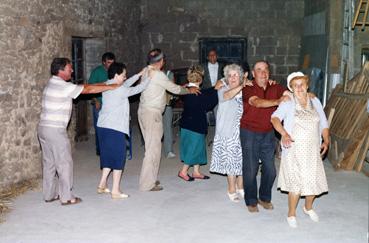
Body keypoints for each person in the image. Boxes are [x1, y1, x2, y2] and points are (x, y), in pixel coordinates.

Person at [38, 57, 122, 206]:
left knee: (49, 163)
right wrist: (111, 86)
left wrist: (106, 84)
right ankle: (67, 197)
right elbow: (87, 89)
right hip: (55, 131)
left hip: (43, 129)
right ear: (61, 70)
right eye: (69, 68)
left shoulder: (51, 83)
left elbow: (86, 86)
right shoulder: (63, 86)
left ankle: (49, 194)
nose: (72, 70)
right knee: (64, 164)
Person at [271, 72, 329, 228]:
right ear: (291, 88)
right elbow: (275, 118)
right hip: (294, 149)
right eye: (295, 85)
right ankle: (291, 213)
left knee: (313, 183)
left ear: (307, 85)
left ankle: (308, 207)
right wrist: (284, 134)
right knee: (295, 185)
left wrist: (326, 140)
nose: (299, 88)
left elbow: (323, 122)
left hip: (312, 150)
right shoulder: (288, 101)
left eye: (302, 84)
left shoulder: (314, 100)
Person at [138, 48, 200, 191]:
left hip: (143, 111)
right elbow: (175, 90)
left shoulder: (146, 70)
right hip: (152, 114)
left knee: (152, 147)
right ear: (160, 62)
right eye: (163, 60)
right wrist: (188, 90)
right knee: (152, 150)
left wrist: (182, 87)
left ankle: (151, 179)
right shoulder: (158, 75)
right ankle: (146, 184)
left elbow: (168, 87)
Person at [240, 60, 290, 213]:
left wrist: (307, 94)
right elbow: (257, 103)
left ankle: (264, 198)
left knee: (270, 170)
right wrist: (278, 101)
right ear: (253, 74)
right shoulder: (248, 88)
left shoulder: (275, 87)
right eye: (259, 70)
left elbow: (292, 92)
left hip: (268, 133)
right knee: (251, 168)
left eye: (266, 69)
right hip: (249, 132)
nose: (263, 72)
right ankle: (251, 200)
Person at [96, 63, 149, 199]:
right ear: (116, 75)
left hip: (103, 126)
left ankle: (102, 185)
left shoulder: (108, 84)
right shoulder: (119, 90)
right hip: (115, 128)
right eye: (124, 75)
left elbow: (126, 84)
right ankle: (115, 190)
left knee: (108, 156)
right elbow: (136, 89)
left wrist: (139, 74)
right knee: (119, 158)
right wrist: (149, 78)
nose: (125, 78)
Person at [178, 65, 221, 181]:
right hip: (193, 126)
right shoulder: (195, 93)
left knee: (198, 149)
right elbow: (209, 104)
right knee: (193, 149)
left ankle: (196, 172)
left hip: (189, 124)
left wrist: (213, 88)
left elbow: (205, 92)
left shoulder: (188, 89)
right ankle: (183, 171)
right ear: (201, 79)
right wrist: (216, 90)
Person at [210, 64, 246, 202]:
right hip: (227, 132)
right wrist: (242, 85)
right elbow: (228, 96)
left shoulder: (245, 91)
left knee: (242, 160)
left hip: (243, 131)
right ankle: (231, 188)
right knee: (231, 161)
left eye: (235, 75)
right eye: (229, 75)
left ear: (240, 76)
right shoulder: (222, 89)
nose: (232, 78)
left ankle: (240, 186)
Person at [88, 52, 116, 155]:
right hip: (99, 104)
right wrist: (95, 101)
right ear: (103, 62)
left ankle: (109, 147)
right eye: (109, 63)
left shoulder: (114, 71)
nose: (111, 65)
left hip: (111, 104)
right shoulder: (97, 72)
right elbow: (90, 88)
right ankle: (99, 148)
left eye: (112, 62)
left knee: (111, 127)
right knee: (99, 127)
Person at [202, 49, 224, 127]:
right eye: (210, 55)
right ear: (208, 57)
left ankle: (217, 135)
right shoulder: (202, 66)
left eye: (214, 55)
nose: (212, 57)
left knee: (218, 114)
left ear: (217, 56)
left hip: (218, 93)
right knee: (204, 116)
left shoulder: (222, 67)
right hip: (206, 92)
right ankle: (205, 131)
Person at [162, 58, 176, 159]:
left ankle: (169, 150)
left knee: (167, 127)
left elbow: (172, 87)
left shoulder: (168, 74)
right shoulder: (149, 73)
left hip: (166, 103)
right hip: (153, 104)